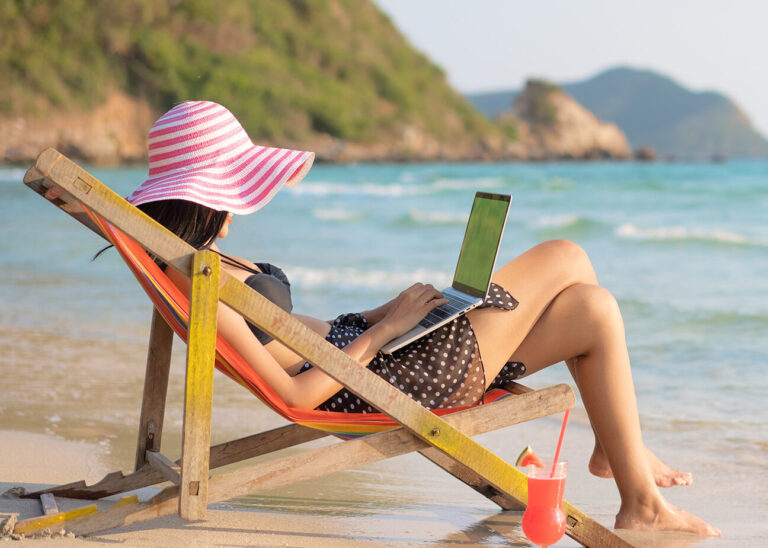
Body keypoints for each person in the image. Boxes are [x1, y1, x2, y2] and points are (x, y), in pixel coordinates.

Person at [125, 101, 720, 537]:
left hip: (371, 354)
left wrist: (386, 312)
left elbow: (295, 331)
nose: (235, 210)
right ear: (199, 196)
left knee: (593, 309)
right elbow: (294, 390)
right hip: (382, 383)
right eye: (228, 191)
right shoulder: (199, 278)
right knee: (568, 256)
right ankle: (635, 485)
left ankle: (629, 478)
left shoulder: (195, 261)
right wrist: (386, 332)